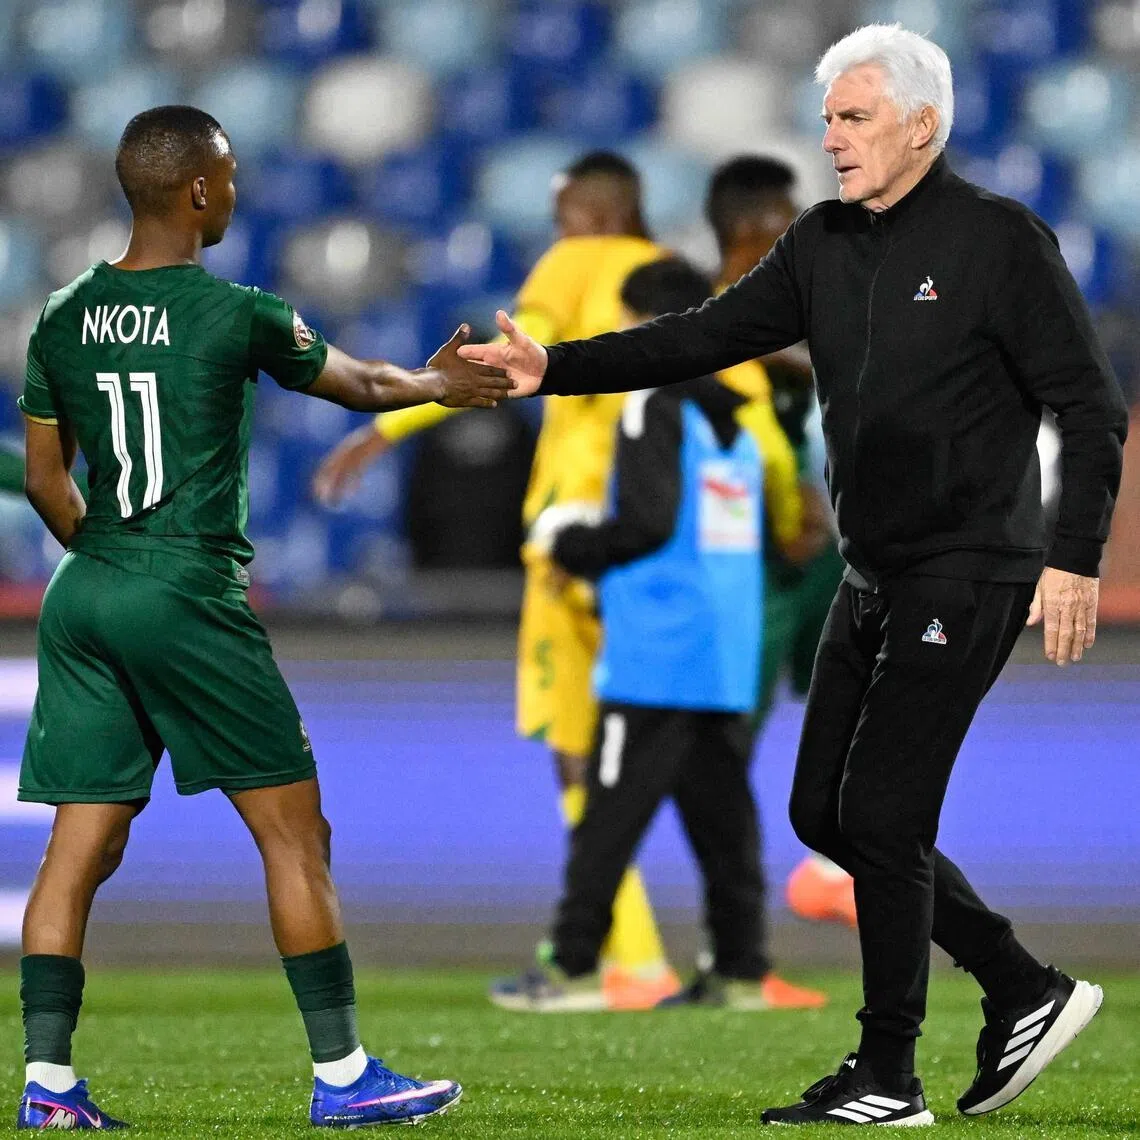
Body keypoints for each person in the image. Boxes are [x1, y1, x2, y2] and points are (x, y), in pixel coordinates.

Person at [459, 24, 1128, 1127]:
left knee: (883, 815)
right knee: (825, 811)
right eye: (827, 119)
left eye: (855, 117)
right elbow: (700, 337)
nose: (832, 138)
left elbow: (1091, 409)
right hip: (874, 573)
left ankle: (890, 1075)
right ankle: (1022, 986)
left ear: (923, 124)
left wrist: (1074, 558)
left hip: (969, 568)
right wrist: (553, 369)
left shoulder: (999, 239)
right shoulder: (823, 241)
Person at [14, 105, 511, 1131]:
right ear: (198, 190)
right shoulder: (236, 312)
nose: (237, 192)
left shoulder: (61, 313)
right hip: (185, 589)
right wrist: (439, 383)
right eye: (230, 176)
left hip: (87, 589)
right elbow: (360, 383)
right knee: (295, 834)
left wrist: (108, 560)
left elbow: (46, 482)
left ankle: (48, 1086)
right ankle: (344, 1077)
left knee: (79, 847)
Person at [313, 152, 681, 1011]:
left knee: (577, 749)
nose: (556, 233)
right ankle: (673, 950)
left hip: (573, 536)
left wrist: (386, 427)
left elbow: (508, 357)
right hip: (659, 536)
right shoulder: (676, 284)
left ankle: (623, 958)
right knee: (658, 749)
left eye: (563, 216)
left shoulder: (575, 263)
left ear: (594, 214)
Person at [493, 258, 826, 1013]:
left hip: (658, 649)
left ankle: (572, 966)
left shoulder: (650, 405)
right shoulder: (737, 418)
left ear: (649, 324)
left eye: (625, 321)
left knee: (608, 816)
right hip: (723, 650)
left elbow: (646, 523)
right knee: (724, 821)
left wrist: (569, 539)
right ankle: (740, 969)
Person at [704, 155, 856, 931]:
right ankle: (730, 931)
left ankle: (834, 869)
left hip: (827, 544)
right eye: (784, 224)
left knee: (861, 695)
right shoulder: (702, 322)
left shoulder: (803, 307)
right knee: (730, 734)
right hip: (751, 557)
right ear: (749, 229)